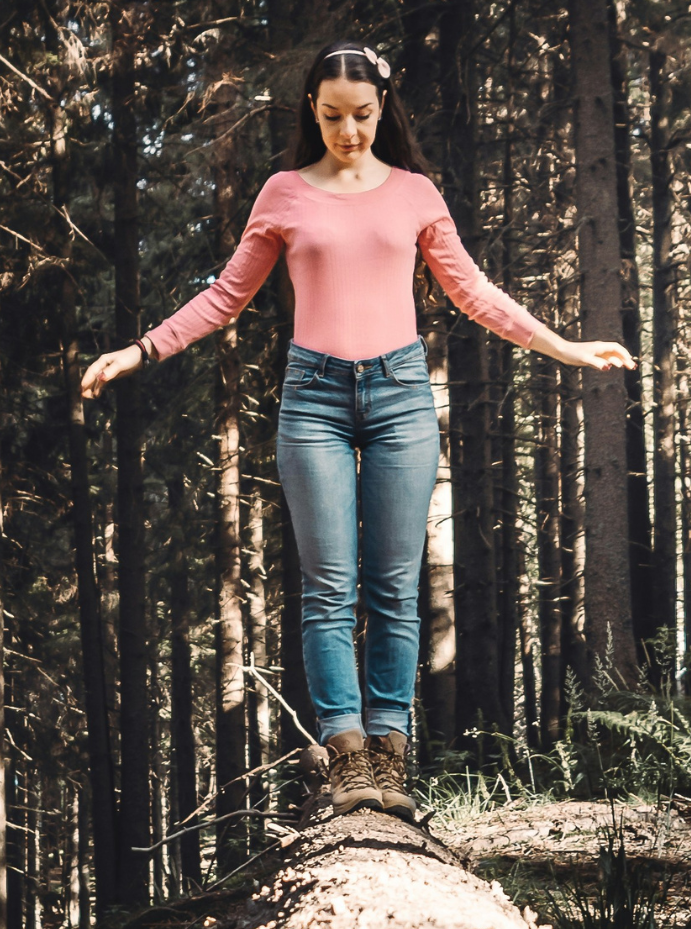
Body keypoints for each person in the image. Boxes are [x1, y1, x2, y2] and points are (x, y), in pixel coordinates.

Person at [81, 40, 634, 821]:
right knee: (329, 589)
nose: (349, 131)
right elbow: (225, 296)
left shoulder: (413, 193)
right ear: (313, 110)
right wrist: (141, 350)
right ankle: (346, 758)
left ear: (383, 109)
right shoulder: (283, 193)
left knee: (395, 589)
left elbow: (474, 293)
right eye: (334, 116)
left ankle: (391, 756)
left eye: (363, 115)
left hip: (401, 394)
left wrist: (565, 347)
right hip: (314, 399)